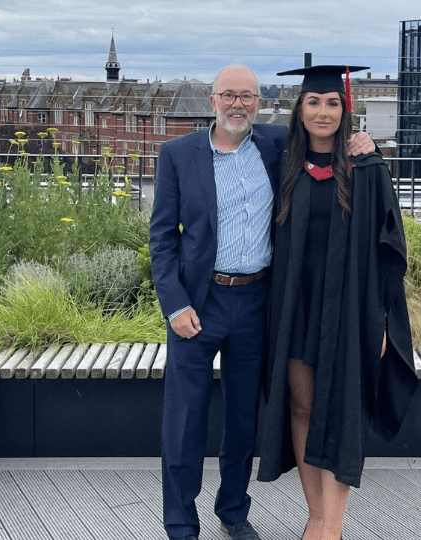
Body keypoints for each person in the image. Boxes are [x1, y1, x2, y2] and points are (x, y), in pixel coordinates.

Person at [149, 64, 374, 540]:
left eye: (247, 96)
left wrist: (363, 143)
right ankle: (180, 523)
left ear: (260, 103)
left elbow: (325, 140)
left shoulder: (275, 145)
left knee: (244, 418)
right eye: (228, 95)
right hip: (197, 304)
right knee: (183, 419)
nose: (238, 104)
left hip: (257, 302)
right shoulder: (178, 155)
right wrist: (174, 303)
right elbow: (162, 238)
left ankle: (233, 510)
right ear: (213, 100)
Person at [255, 65, 418, 540]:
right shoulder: (283, 163)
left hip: (350, 310)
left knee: (341, 410)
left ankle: (332, 526)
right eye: (313, 102)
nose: (323, 112)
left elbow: (391, 249)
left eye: (332, 103)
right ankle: (316, 516)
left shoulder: (367, 170)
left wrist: (384, 319)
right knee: (302, 408)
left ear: (345, 110)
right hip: (294, 307)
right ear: (299, 109)